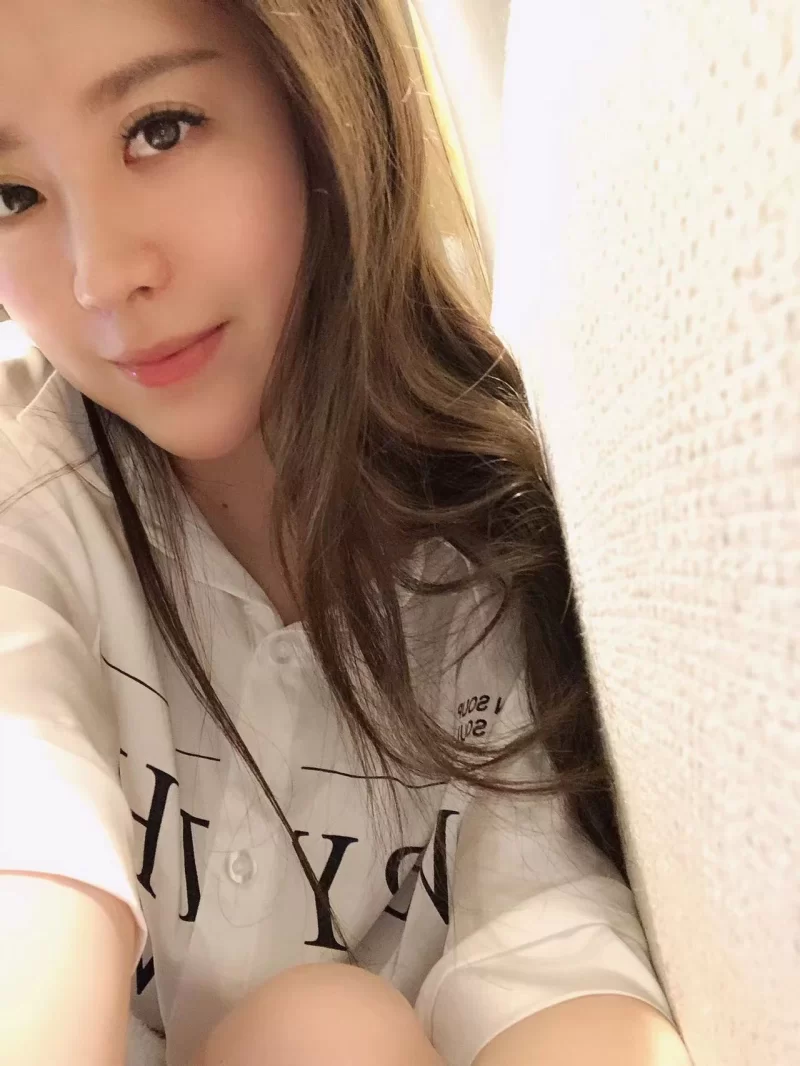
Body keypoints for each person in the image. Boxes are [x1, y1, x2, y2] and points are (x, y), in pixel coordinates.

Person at [0, 1, 691, 1065]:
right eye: (10, 195)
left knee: (330, 1033)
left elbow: (545, 943)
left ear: (322, 97)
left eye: (159, 130)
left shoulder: (491, 526)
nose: (102, 275)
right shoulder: (30, 503)